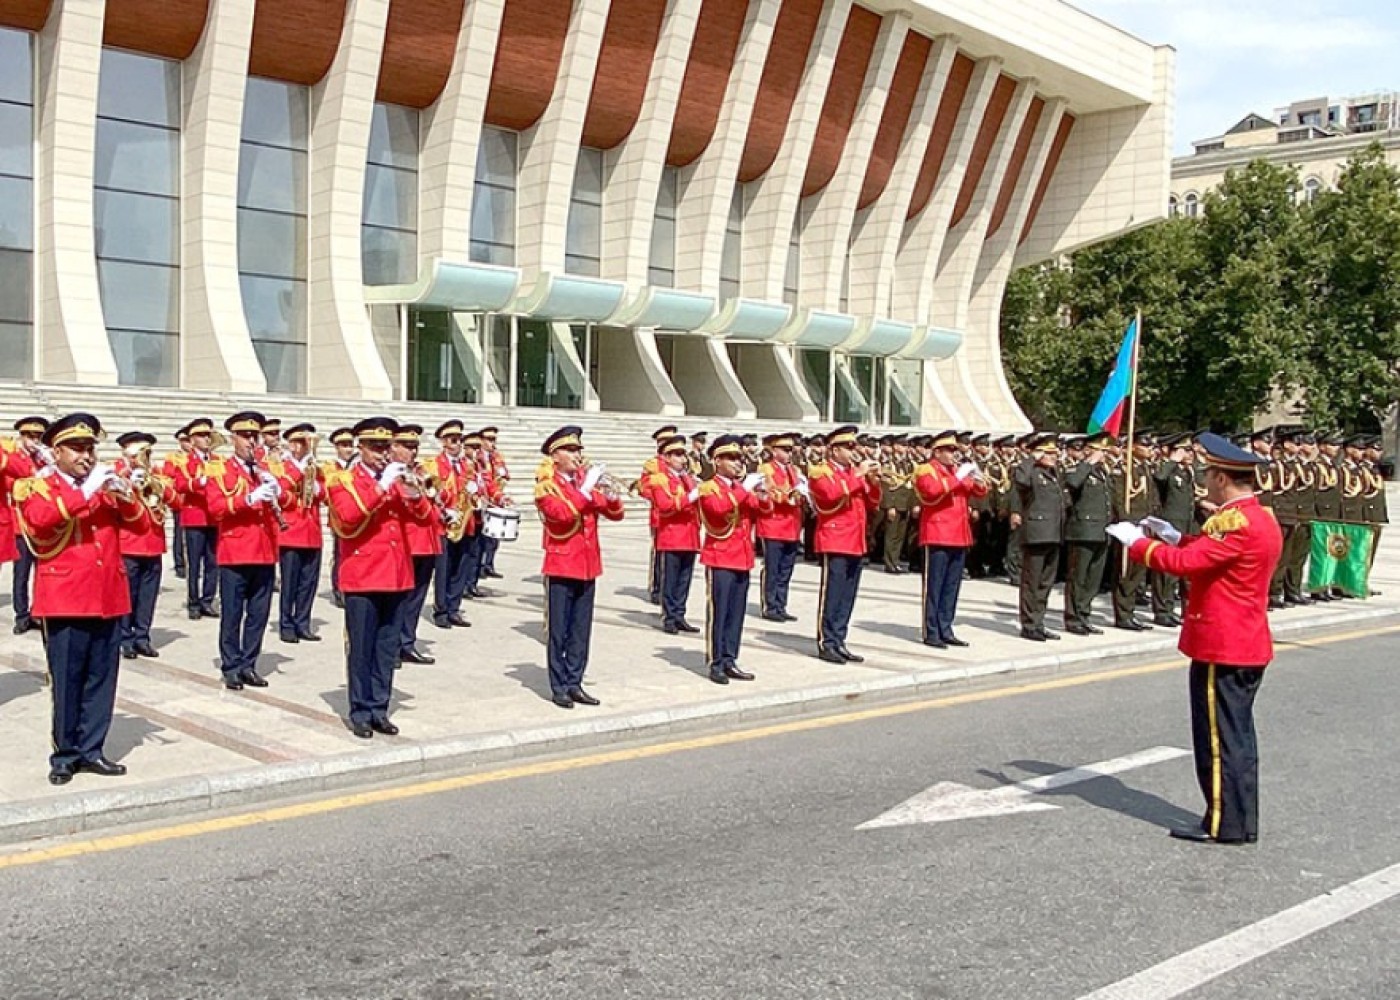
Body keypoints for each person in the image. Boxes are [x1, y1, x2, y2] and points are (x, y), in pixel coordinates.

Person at [1110, 432, 1284, 845]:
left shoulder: (1236, 522)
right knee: (1236, 736)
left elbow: (1188, 564)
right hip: (1243, 641)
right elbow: (1211, 555)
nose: (1205, 481)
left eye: (1210, 474)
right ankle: (1238, 819)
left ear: (1223, 479)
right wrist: (1171, 535)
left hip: (1223, 644)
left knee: (1219, 741)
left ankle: (1225, 823)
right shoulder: (1258, 518)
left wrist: (1138, 545)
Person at [14, 413, 143, 785]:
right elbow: (39, 521)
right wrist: (87, 493)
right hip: (65, 596)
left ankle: (92, 750)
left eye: (89, 448)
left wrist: (125, 495)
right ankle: (65, 755)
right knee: (68, 679)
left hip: (107, 594)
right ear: (57, 451)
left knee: (102, 679)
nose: (86, 456)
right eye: (77, 448)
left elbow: (139, 525)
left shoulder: (103, 485)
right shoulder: (37, 485)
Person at [325, 417, 426, 737]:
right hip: (364, 575)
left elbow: (425, 519)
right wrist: (382, 487)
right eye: (376, 447)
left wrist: (413, 493)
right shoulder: (343, 480)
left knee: (386, 647)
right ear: (362, 448)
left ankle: (380, 707)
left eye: (386, 447)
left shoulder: (397, 479)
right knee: (362, 647)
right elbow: (350, 516)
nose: (383, 453)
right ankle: (360, 710)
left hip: (396, 574)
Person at [534, 426, 625, 708]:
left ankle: (575, 681)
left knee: (580, 630)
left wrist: (610, 495)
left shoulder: (583, 483)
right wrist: (586, 489)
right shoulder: (546, 486)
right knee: (559, 630)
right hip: (561, 565)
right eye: (571, 450)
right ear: (555, 455)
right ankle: (558, 685)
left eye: (578, 450)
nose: (577, 455)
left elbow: (616, 514)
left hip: (587, 565)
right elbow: (560, 515)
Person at [204, 411, 288, 690]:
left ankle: (249, 664)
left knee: (258, 614)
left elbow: (287, 499)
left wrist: (278, 490)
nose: (251, 441)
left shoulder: (266, 467)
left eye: (254, 436)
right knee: (232, 614)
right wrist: (249, 498)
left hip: (264, 550)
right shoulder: (219, 468)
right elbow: (215, 507)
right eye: (245, 436)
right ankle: (230, 666)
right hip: (235, 550)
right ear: (233, 438)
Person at [698, 434, 771, 684]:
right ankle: (715, 661)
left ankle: (730, 658)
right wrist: (745, 489)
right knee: (719, 612)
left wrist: (763, 494)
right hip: (720, 557)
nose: (738, 463)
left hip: (741, 556)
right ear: (716, 460)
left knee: (736, 613)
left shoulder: (739, 488)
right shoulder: (709, 487)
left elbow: (763, 510)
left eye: (740, 458)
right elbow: (718, 510)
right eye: (731, 458)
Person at [810, 425, 882, 663]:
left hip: (855, 539)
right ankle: (826, 642)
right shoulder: (821, 472)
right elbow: (830, 496)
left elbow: (872, 503)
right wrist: (859, 475)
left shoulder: (853, 473)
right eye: (848, 447)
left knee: (848, 594)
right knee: (833, 593)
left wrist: (873, 481)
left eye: (854, 446)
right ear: (833, 450)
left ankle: (840, 639)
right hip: (835, 538)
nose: (854, 451)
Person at [912, 430, 988, 648]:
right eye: (949, 450)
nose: (954, 454)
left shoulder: (957, 470)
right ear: (937, 451)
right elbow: (932, 493)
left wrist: (977, 477)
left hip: (959, 535)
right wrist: (957, 477)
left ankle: (946, 627)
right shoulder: (926, 470)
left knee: (951, 586)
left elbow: (979, 492)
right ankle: (931, 631)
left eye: (955, 449)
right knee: (934, 586)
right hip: (937, 534)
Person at [113, 432, 178, 659]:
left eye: (146, 453)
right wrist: (129, 482)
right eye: (138, 453)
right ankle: (125, 637)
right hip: (129, 543)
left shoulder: (157, 474)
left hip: (153, 543)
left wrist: (154, 483)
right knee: (128, 594)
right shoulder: (116, 473)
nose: (142, 458)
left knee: (148, 595)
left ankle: (142, 636)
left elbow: (177, 500)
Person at [393, 423, 442, 665]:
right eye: (408, 447)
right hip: (408, 541)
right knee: (400, 598)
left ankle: (407, 642)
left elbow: (434, 501)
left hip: (427, 541)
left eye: (415, 447)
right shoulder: (393, 473)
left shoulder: (422, 470)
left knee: (417, 598)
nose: (413, 452)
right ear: (394, 447)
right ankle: (391, 646)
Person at [1011, 433, 1066, 641]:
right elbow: (1020, 482)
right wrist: (1031, 458)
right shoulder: (1030, 472)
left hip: (1053, 533)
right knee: (1031, 582)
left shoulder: (1053, 474)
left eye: (1055, 453)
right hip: (1036, 533)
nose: (1054, 456)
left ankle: (1039, 621)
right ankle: (1028, 624)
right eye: (1049, 453)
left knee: (1045, 583)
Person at [646, 434, 701, 634]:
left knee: (684, 579)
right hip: (672, 535)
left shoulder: (686, 477)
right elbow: (665, 505)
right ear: (666, 457)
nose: (683, 459)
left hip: (690, 535)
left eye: (683, 454)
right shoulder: (659, 478)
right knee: (670, 579)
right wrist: (691, 496)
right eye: (677, 455)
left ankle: (679, 615)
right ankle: (669, 616)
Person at [275, 423, 324, 644]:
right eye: (303, 443)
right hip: (291, 531)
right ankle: (286, 624)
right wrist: (299, 471)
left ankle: (302, 622)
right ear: (293, 445)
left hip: (312, 530)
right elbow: (280, 491)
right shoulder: (282, 466)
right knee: (289, 582)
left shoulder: (316, 467)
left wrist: (315, 487)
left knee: (308, 582)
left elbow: (324, 494)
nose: (307, 447)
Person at [1062, 432, 1113, 635]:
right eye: (1100, 450)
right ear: (1088, 450)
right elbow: (1073, 482)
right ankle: (1073, 618)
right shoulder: (1076, 468)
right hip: (1082, 530)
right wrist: (1089, 461)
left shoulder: (1102, 472)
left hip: (1101, 530)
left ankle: (1084, 614)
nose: (1104, 454)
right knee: (1078, 577)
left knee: (1093, 578)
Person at [173, 418, 220, 620]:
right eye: (201, 436)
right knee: (194, 563)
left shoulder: (217, 460)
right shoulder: (184, 461)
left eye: (208, 435)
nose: (206, 439)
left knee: (213, 562)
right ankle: (193, 601)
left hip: (214, 517)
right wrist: (199, 481)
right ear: (192, 440)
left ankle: (207, 600)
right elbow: (180, 484)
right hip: (194, 517)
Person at [756, 433, 805, 623]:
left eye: (790, 450)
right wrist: (789, 497)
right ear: (774, 451)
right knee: (772, 567)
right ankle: (770, 605)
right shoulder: (766, 469)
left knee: (786, 569)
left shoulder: (794, 470)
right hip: (773, 525)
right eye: (785, 450)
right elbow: (770, 491)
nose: (789, 453)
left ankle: (781, 604)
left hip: (791, 524)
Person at [431, 420, 474, 628]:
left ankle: (454, 607)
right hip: (444, 523)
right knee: (443, 568)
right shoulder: (434, 464)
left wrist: (477, 491)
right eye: (453, 440)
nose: (457, 444)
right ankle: (441, 610)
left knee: (461, 567)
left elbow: (474, 489)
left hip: (465, 522)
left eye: (459, 440)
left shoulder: (468, 465)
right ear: (444, 442)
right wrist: (446, 510)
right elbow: (432, 493)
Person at [9, 416, 50, 634]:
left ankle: (38, 612)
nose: (35, 441)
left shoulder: (44, 459)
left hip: (42, 525)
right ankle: (21, 615)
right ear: (22, 437)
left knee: (42, 572)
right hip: (21, 524)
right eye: (31, 436)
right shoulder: (14, 458)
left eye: (38, 437)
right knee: (21, 573)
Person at [326, 426, 356, 608]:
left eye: (350, 445)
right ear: (336, 447)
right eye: (344, 445)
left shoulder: (355, 464)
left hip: (357, 516)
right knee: (339, 553)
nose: (348, 450)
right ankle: (338, 588)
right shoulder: (330, 467)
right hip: (338, 518)